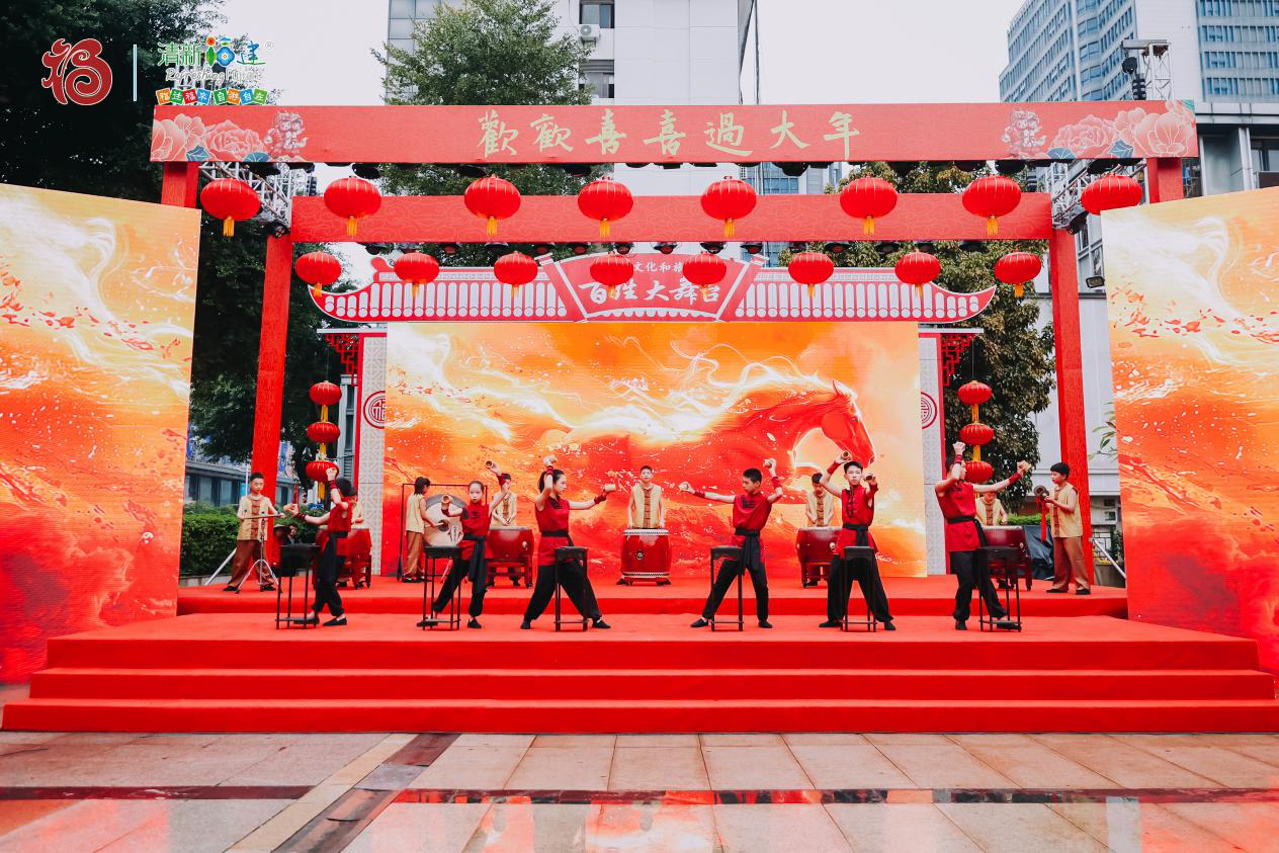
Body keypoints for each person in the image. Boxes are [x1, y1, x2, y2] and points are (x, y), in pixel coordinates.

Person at [935, 441, 1030, 630]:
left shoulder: (968, 487)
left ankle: (999, 615)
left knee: (984, 578)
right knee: (966, 581)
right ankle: (960, 616)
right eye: (962, 467)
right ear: (952, 467)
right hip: (957, 535)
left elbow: (994, 486)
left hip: (973, 532)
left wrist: (1017, 476)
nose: (965, 470)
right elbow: (954, 477)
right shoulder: (941, 486)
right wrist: (958, 454)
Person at [682, 459, 783, 630]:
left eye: (746, 482)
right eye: (742, 482)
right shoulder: (738, 499)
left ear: (757, 484)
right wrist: (692, 491)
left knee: (761, 585)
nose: (743, 485)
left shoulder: (765, 500)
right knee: (721, 582)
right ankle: (705, 617)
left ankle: (762, 618)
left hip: (754, 545)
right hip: (737, 544)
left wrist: (772, 470)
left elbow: (779, 493)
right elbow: (716, 496)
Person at [520, 456, 616, 630]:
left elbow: (586, 505)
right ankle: (528, 618)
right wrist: (549, 466)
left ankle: (596, 618)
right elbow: (547, 487)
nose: (565, 486)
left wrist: (601, 497)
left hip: (565, 547)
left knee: (581, 581)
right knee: (543, 589)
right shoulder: (540, 501)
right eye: (562, 483)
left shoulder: (564, 503)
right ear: (553, 483)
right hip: (548, 549)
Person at [818, 453, 895, 630]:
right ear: (845, 476)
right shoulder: (844, 494)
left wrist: (872, 482)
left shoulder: (866, 493)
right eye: (851, 473)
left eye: (857, 473)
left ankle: (885, 618)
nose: (854, 475)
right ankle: (835, 617)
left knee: (871, 580)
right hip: (845, 540)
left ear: (861, 475)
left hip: (862, 540)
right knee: (836, 577)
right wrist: (836, 462)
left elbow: (873, 489)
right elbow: (823, 481)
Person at [291, 472, 362, 627]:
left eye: (333, 489)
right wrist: (298, 515)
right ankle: (314, 612)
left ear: (339, 490)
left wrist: (331, 481)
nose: (331, 492)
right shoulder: (336, 509)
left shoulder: (346, 506)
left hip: (338, 545)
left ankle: (340, 615)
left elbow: (337, 500)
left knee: (328, 580)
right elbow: (318, 520)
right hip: (332, 544)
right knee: (323, 579)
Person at [420, 480, 492, 628]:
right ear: (468, 493)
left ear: (482, 493)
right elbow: (448, 513)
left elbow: (503, 492)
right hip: (465, 550)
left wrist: (499, 475)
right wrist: (445, 505)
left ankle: (472, 618)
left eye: (477, 492)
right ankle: (434, 613)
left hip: (480, 551)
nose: (474, 495)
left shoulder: (488, 508)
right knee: (451, 582)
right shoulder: (464, 510)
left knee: (480, 587)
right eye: (472, 492)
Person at [225, 472, 281, 593]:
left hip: (261, 533)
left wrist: (279, 514)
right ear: (250, 484)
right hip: (245, 533)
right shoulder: (244, 499)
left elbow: (274, 511)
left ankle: (265, 583)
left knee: (262, 558)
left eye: (261, 484)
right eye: (256, 484)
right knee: (241, 560)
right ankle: (234, 583)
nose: (259, 486)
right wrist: (240, 516)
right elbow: (239, 512)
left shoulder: (266, 500)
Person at [1043, 462, 1090, 595]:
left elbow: (1070, 508)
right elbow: (1050, 508)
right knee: (1059, 560)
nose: (1052, 477)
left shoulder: (1071, 490)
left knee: (1076, 559)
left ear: (1063, 476)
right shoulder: (1052, 490)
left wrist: (1053, 501)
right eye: (1051, 474)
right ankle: (1060, 585)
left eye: (1055, 474)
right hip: (1057, 530)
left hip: (1071, 530)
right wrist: (1043, 502)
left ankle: (1083, 586)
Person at [486, 460, 522, 587]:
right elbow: (493, 511)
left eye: (508, 482)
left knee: (513, 551)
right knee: (494, 551)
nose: (507, 484)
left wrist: (509, 519)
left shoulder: (514, 496)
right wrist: (501, 520)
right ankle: (490, 579)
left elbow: (515, 511)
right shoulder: (496, 495)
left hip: (510, 526)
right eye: (504, 482)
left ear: (510, 483)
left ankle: (515, 578)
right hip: (497, 526)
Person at [402, 476, 431, 583]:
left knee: (418, 552)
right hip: (416, 528)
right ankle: (409, 575)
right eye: (427, 487)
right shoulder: (421, 498)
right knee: (414, 553)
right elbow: (423, 515)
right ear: (424, 486)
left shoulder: (411, 497)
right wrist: (432, 523)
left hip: (411, 527)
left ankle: (419, 573)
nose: (427, 489)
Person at [627, 465, 665, 529]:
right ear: (640, 476)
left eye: (648, 473)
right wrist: (630, 521)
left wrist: (662, 520)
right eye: (643, 473)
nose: (646, 475)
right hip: (638, 524)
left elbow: (662, 506)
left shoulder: (658, 489)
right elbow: (629, 506)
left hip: (654, 524)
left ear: (652, 475)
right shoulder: (634, 489)